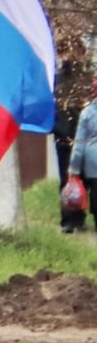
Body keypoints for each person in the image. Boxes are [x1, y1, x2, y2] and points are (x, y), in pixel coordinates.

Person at [65, 75, 97, 235]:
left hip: (91, 162)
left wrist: (74, 168)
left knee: (88, 191)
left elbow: (79, 143)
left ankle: (75, 221)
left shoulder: (87, 113)